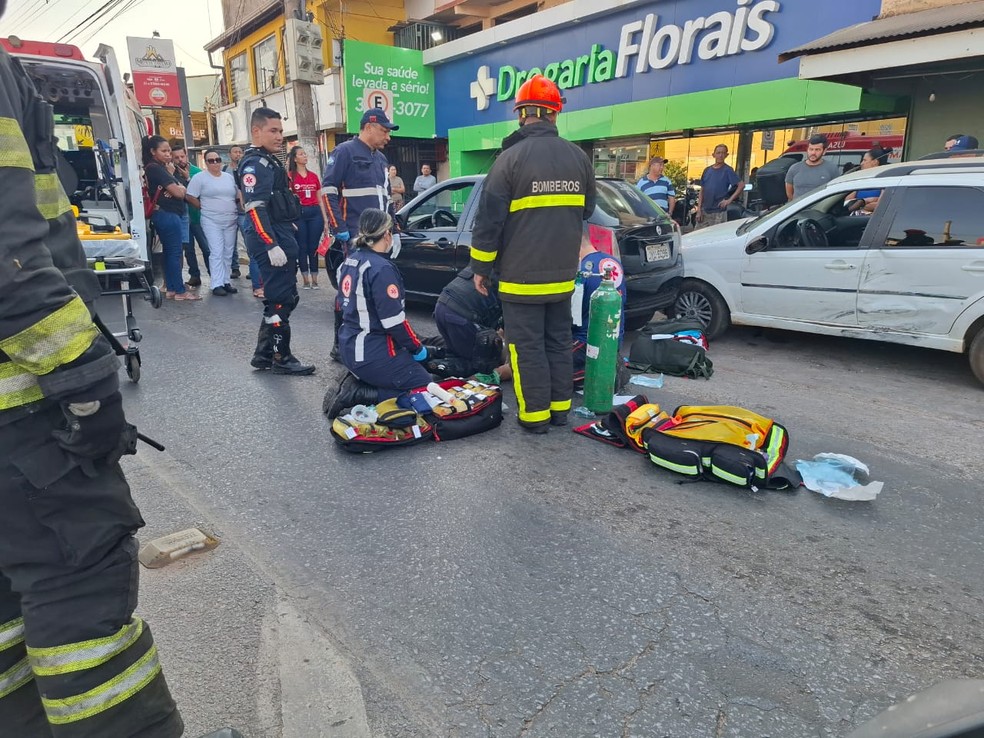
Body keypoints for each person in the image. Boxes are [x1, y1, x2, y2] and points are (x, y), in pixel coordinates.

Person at [0, 22, 183, 735]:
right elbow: (11, 264)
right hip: (25, 423)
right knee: (80, 590)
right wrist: (85, 383)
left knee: (9, 611)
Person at [470, 73, 596, 433]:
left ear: (522, 114)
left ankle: (535, 416)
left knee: (527, 348)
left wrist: (481, 267)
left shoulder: (509, 160)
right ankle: (560, 410)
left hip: (520, 278)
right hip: (562, 276)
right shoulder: (579, 158)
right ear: (553, 114)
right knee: (558, 342)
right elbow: (587, 210)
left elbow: (488, 221)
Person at [324, 208, 431, 418]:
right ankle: (359, 393)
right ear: (387, 234)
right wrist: (417, 348)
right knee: (424, 387)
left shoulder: (350, 260)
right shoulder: (381, 269)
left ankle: (361, 380)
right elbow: (394, 322)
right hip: (372, 353)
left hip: (349, 346)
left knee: (409, 368)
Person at [240, 107, 314, 375]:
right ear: (256, 131)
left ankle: (263, 354)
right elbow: (255, 208)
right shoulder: (255, 165)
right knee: (281, 299)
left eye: (281, 131)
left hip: (279, 232)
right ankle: (282, 357)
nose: (279, 136)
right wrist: (270, 243)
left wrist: (286, 223)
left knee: (283, 296)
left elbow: (275, 201)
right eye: (273, 131)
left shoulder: (268, 161)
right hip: (269, 238)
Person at [321, 107, 398, 361]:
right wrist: (340, 229)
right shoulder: (344, 152)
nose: (388, 136)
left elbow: (387, 199)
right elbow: (328, 192)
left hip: (381, 238)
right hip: (356, 237)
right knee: (350, 290)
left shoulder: (381, 159)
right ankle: (340, 344)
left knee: (375, 290)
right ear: (369, 127)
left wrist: (394, 231)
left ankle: (371, 342)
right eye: (384, 131)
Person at [144, 135, 201, 300]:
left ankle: (171, 288)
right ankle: (180, 291)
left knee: (170, 252)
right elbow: (179, 192)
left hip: (166, 214)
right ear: (153, 151)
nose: (168, 154)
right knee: (174, 252)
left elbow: (179, 189)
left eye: (169, 151)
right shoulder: (155, 168)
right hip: (167, 214)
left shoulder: (159, 168)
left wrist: (177, 187)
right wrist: (178, 187)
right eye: (164, 151)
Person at [572, 228, 626, 389]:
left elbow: (571, 317)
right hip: (612, 344)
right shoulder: (613, 262)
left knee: (538, 362)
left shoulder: (582, 271)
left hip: (585, 344)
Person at [433, 267, 509, 379]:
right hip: (461, 317)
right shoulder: (514, 278)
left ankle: (429, 356)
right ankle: (441, 369)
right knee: (482, 365)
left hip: (441, 307)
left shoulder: (490, 263)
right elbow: (512, 326)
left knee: (456, 352)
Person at [187, 148, 240, 295]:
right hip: (211, 220)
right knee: (216, 251)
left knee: (228, 251)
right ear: (206, 163)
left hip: (230, 219)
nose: (215, 163)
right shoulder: (199, 178)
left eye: (218, 160)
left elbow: (237, 194)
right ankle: (216, 284)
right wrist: (202, 207)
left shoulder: (228, 177)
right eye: (211, 160)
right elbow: (190, 196)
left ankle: (226, 281)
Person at [170, 139, 210, 288]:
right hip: (182, 217)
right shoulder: (171, 174)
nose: (180, 160)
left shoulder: (197, 173)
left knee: (206, 248)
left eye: (182, 156)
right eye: (176, 158)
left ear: (186, 155)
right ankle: (194, 275)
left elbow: (202, 194)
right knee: (189, 249)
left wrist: (188, 178)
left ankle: (214, 275)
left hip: (198, 217)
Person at [287, 145, 324, 290]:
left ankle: (315, 279)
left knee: (313, 247)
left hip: (315, 212)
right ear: (295, 158)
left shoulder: (313, 176)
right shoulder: (290, 176)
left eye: (305, 154)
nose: (305, 156)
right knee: (302, 246)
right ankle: (305, 280)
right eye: (301, 154)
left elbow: (320, 199)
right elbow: (288, 200)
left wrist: (325, 219)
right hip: (299, 214)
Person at [696, 144, 742, 229]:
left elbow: (741, 185)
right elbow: (702, 191)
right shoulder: (707, 170)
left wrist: (729, 200)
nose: (720, 155)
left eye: (723, 153)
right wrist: (699, 209)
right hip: (704, 211)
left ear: (726, 155)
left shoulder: (728, 170)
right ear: (713, 155)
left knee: (716, 235)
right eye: (718, 153)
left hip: (719, 212)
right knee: (697, 235)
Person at [784, 134, 840, 200]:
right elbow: (789, 194)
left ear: (824, 151)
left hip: (821, 206)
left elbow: (835, 192)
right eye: (811, 149)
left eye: (817, 150)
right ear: (807, 150)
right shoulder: (794, 168)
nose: (813, 153)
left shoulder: (832, 169)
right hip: (799, 206)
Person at [846, 146, 889, 214]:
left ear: (875, 162)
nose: (861, 163)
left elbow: (879, 205)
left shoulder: (884, 182)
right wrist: (870, 200)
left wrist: (861, 203)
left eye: (865, 160)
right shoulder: (862, 181)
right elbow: (848, 202)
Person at [224, 144, 245, 278]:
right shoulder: (225, 170)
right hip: (230, 210)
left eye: (240, 152)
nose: (238, 154)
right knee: (230, 241)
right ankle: (234, 268)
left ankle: (253, 269)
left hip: (243, 210)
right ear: (229, 154)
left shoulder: (246, 169)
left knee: (248, 239)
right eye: (235, 152)